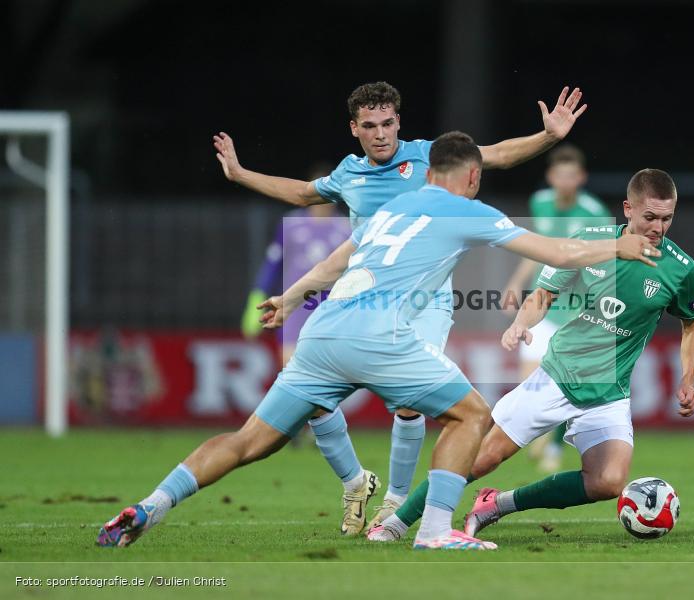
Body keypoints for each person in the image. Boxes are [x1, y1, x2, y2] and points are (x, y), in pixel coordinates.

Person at [97, 132, 661, 550]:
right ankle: (435, 531)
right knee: (471, 416)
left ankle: (152, 505)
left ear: (430, 170)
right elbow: (560, 253)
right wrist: (619, 248)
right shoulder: (469, 209)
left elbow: (337, 259)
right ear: (471, 177)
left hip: (323, 329)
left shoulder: (393, 207)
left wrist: (291, 299)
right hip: (379, 334)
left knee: (249, 441)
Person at [213, 81, 588, 535]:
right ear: (355, 129)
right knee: (313, 401)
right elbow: (300, 194)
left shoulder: (429, 155)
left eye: (388, 123)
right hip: (360, 293)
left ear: (398, 122)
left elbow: (498, 155)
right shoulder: (347, 174)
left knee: (410, 403)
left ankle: (394, 499)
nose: (381, 134)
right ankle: (354, 482)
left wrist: (547, 137)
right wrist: (240, 173)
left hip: (425, 298)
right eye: (370, 126)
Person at [368, 168, 694, 542]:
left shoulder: (681, 269)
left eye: (666, 218)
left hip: (609, 393)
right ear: (628, 209)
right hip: (556, 377)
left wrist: (688, 379)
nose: (659, 227)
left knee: (608, 481)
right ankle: (395, 524)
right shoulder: (591, 243)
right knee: (479, 458)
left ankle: (498, 504)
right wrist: (521, 323)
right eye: (650, 217)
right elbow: (543, 295)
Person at [502, 144, 611, 473]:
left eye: (571, 175)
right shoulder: (541, 202)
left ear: (581, 178)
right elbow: (534, 249)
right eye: (559, 175)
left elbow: (606, 261)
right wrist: (515, 282)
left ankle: (551, 446)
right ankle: (541, 439)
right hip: (543, 302)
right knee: (529, 381)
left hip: (576, 308)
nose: (565, 181)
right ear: (551, 177)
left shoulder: (595, 213)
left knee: (565, 381)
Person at [240, 163, 350, 366]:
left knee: (328, 376)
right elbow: (272, 264)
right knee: (291, 370)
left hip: (330, 310)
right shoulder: (291, 224)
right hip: (295, 308)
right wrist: (255, 299)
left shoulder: (346, 228)